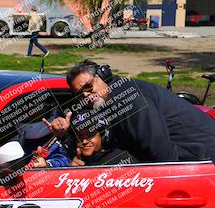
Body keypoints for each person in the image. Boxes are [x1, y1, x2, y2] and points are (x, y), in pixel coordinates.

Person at [44, 60, 215, 162]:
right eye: (80, 94)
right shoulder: (110, 99)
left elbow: (161, 154)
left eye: (89, 87)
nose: (87, 96)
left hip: (203, 161)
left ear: (105, 76)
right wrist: (65, 134)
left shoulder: (129, 99)